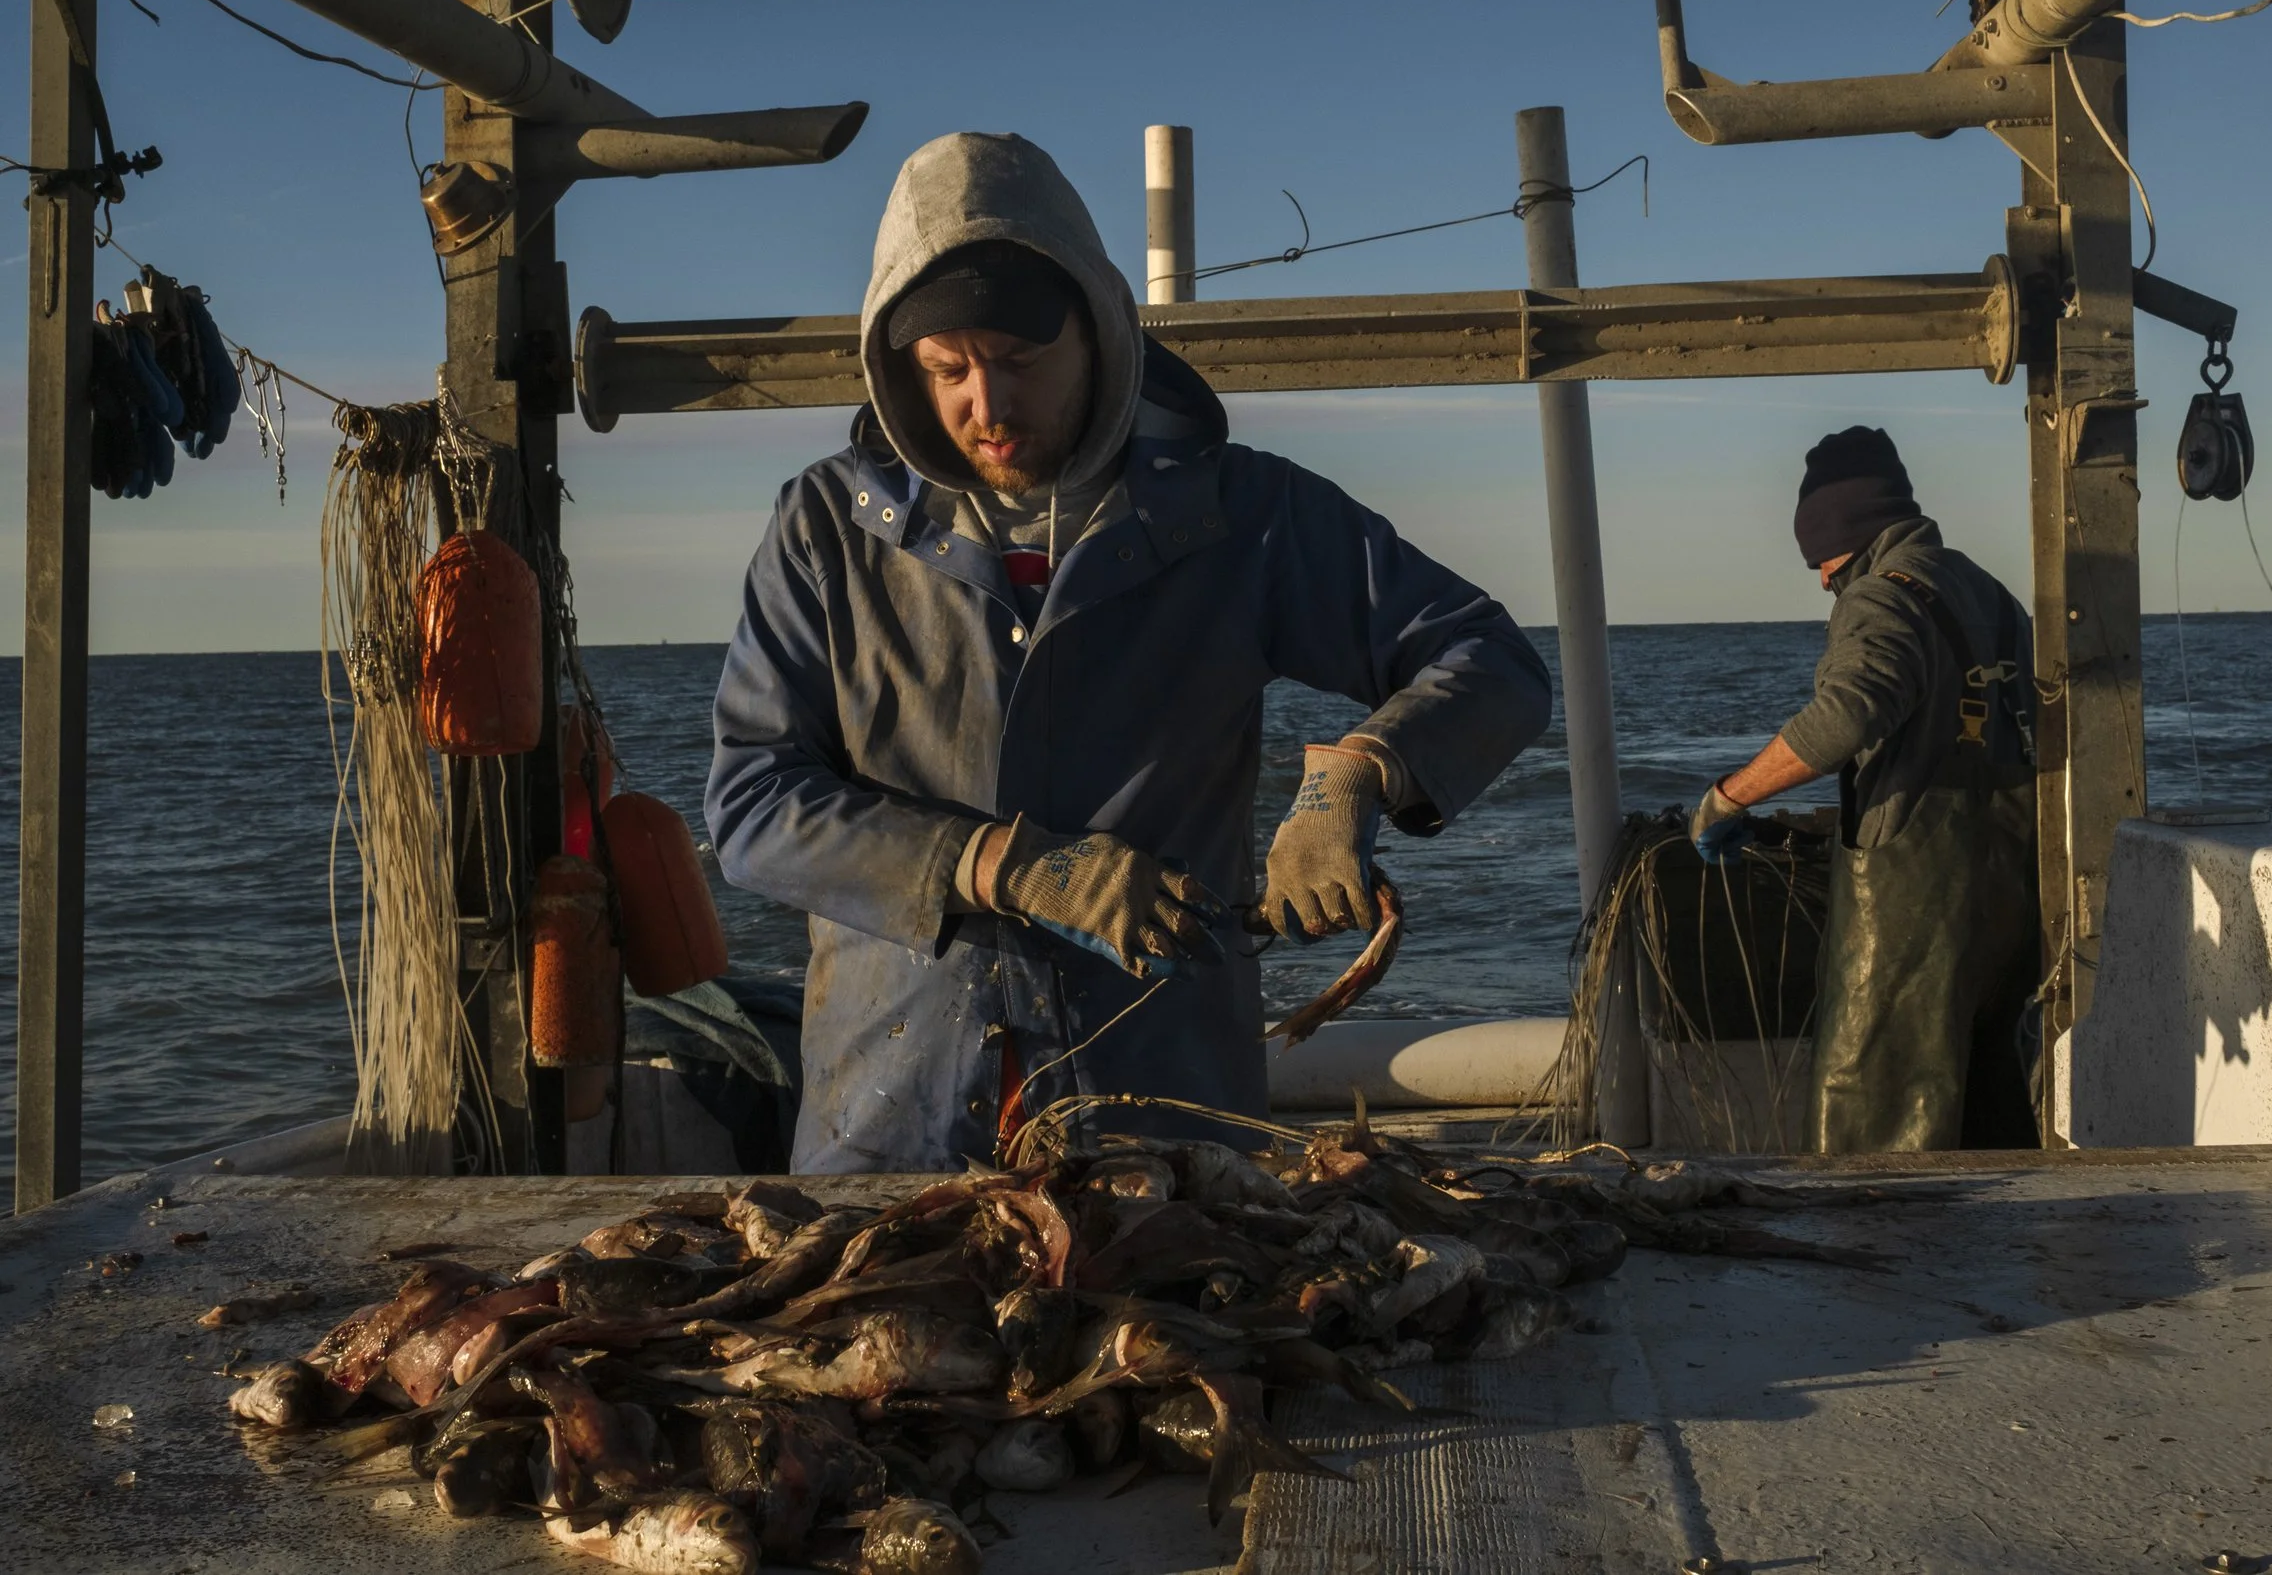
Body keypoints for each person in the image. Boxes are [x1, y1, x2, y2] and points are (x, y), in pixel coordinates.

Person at [706, 132, 1551, 1174]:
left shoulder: (1245, 514)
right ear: (897, 365)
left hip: (1171, 1111)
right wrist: (1000, 864)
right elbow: (752, 807)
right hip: (890, 1123)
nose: (988, 403)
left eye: (1021, 360)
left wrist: (1364, 772)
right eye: (947, 369)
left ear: (1102, 334)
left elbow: (1492, 658)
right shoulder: (823, 531)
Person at [1688, 427, 2039, 1153]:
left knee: (1869, 1121)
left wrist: (1731, 795)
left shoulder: (1881, 595)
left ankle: (1880, 1266)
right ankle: (1994, 1262)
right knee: (1987, 1108)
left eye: (1823, 556)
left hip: (1908, 916)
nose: (1821, 578)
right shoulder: (1991, 594)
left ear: (1861, 530)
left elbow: (1851, 711)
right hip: (2009, 896)